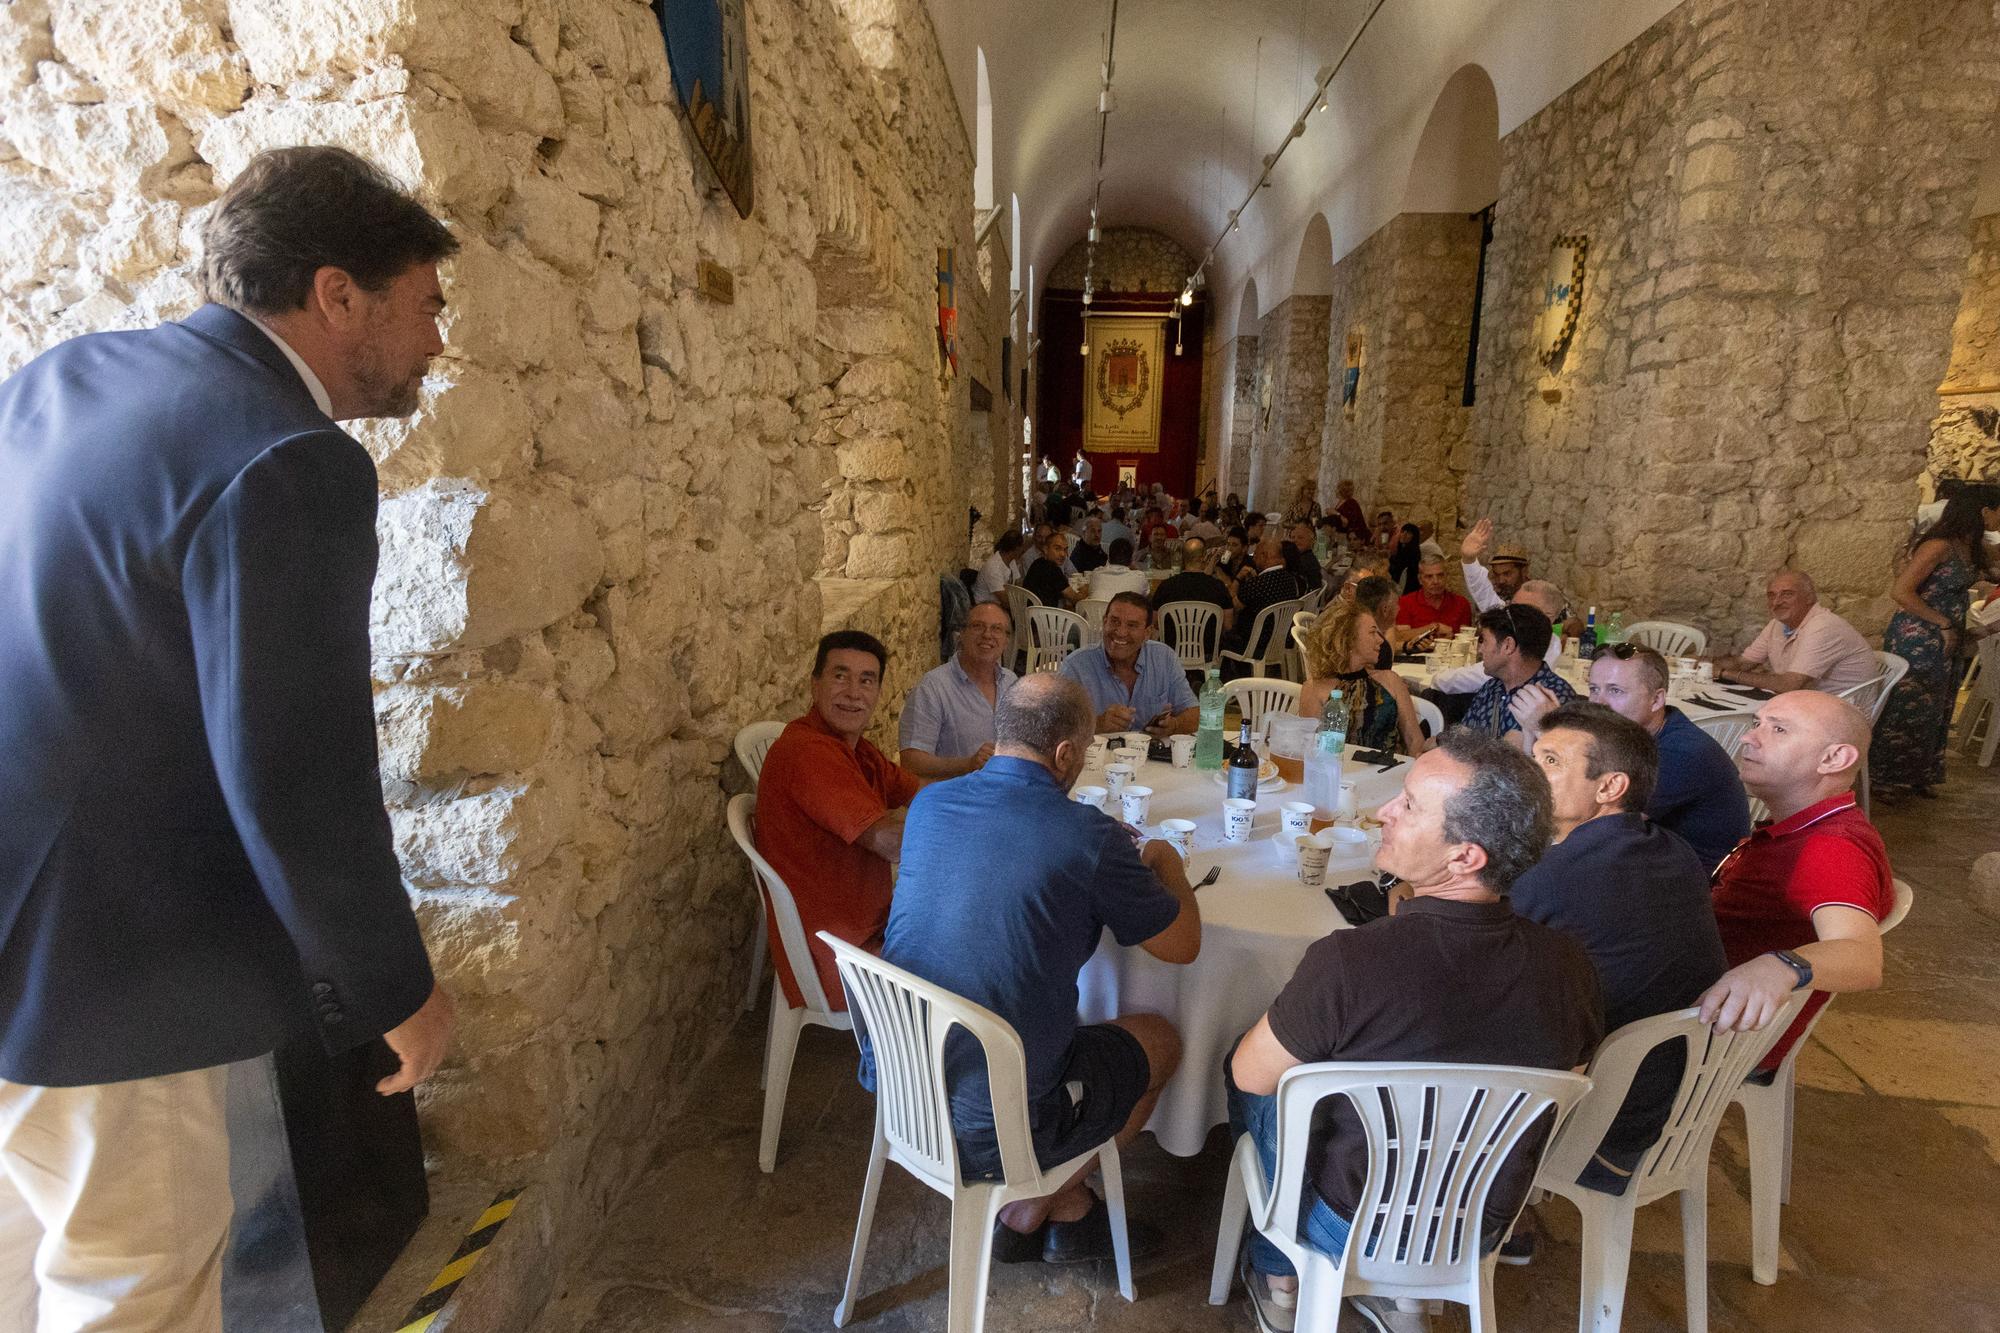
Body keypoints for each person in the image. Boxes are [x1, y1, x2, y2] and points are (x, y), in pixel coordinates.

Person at [0, 146, 455, 1328]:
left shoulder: (61, 376)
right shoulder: (294, 458)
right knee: (131, 1280)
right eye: (425, 306)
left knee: (21, 1259)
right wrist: (398, 988)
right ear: (335, 292)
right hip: (99, 964)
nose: (435, 346)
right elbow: (295, 774)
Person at [1226, 731, 1602, 1332]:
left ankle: (1281, 1276)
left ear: (1465, 857)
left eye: (1409, 804)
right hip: (1478, 1223)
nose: (1384, 812)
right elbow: (1561, 1092)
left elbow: (1252, 1075)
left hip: (1351, 1222)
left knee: (1254, 1072)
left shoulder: (1349, 962)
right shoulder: (1570, 965)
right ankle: (1406, 1301)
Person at [876, 675, 1201, 1261]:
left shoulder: (928, 805)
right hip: (991, 1127)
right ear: (1067, 754)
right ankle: (1039, 1201)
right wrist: (1165, 861)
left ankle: (1065, 1211)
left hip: (906, 1092)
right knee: (1162, 1040)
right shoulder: (1088, 836)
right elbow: (1182, 946)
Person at [1515, 704, 1727, 1200]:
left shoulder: (1559, 875)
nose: (1530, 772)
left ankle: (1484, 1215)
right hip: (1671, 1108)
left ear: (1610, 787)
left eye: (1550, 761)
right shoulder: (1673, 849)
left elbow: (1471, 962)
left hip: (1600, 1129)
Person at [1700, 692, 1892, 1074]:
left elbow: (1862, 956)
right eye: (1757, 723)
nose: (1749, 737)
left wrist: (1780, 966)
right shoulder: (1809, 827)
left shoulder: (1829, 848)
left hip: (1708, 1037)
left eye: (1779, 729)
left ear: (1834, 759)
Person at [755, 631, 921, 1012]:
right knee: (982, 959)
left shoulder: (855, 750)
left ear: (878, 692)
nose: (853, 692)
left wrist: (985, 791)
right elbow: (889, 843)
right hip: (837, 955)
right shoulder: (808, 753)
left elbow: (915, 790)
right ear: (815, 685)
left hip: (871, 926)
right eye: (840, 676)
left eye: (866, 680)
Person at [1870, 486, 2000, 798]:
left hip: (1947, 633)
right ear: (1984, 511)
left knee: (1937, 706)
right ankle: (1883, 778)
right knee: (1908, 703)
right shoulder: (1938, 545)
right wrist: (1941, 622)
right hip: (1919, 633)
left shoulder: (1971, 547)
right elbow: (1901, 591)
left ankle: (1918, 774)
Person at [1586, 645, 1752, 869]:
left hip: (1694, 884)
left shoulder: (1682, 752)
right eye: (1594, 689)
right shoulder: (1632, 737)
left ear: (1656, 700)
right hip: (1650, 857)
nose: (1598, 703)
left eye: (1615, 691)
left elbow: (1599, 822)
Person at [899, 601, 1018, 780]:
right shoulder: (933, 688)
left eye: (997, 629)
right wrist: (967, 764)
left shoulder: (1011, 681)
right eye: (978, 626)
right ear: (961, 634)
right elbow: (911, 762)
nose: (987, 635)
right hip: (955, 800)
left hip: (1005, 792)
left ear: (1006, 641)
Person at [1710, 570, 1877, 695]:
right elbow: (1743, 663)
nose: (1776, 602)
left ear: (1810, 598)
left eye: (1787, 594)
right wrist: (1702, 664)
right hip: (1806, 703)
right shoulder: (1778, 623)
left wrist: (1724, 674)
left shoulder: (1823, 626)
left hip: (1840, 714)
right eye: (1771, 595)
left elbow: (1788, 685)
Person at [1297, 601, 1428, 755]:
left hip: (1389, 771)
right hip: (1340, 773)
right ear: (1348, 639)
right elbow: (1311, 749)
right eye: (1372, 632)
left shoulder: (1391, 680)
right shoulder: (1313, 689)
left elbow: (1414, 741)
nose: (1380, 640)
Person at [1061, 593, 1200, 737]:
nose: (1121, 632)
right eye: (1114, 622)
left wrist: (1174, 726)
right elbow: (1056, 727)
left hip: (1152, 756)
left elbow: (1195, 714)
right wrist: (1097, 724)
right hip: (1097, 757)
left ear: (1147, 633)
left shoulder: (1164, 658)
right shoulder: (1076, 666)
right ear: (1104, 622)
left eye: (1132, 625)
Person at [1462, 604, 1577, 751]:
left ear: (1508, 646)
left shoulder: (1551, 697)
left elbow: (1509, 758)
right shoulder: (1491, 688)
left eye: (1484, 640)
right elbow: (1463, 739)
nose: (1480, 649)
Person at [1428, 579, 1571, 693]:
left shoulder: (1546, 648)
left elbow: (1478, 676)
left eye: (1520, 609)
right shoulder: (1489, 691)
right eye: (1511, 606)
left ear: (1547, 617)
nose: (1509, 613)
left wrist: (1438, 680)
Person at [1223, 534, 1307, 666]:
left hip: (1254, 644)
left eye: (1255, 555)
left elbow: (1233, 606)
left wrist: (1238, 579)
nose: (1254, 559)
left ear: (1264, 556)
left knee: (1220, 636)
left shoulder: (1258, 583)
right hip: (1281, 640)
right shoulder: (1291, 580)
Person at [1153, 538, 1235, 659]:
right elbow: (1228, 625)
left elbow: (1156, 623)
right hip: (1208, 651)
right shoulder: (1218, 587)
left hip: (1172, 650)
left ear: (1182, 558)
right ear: (1203, 557)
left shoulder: (1166, 586)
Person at [1458, 517, 1529, 611]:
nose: (1501, 580)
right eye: (1497, 575)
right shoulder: (1496, 599)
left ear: (1524, 571)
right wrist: (1468, 559)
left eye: (1507, 574)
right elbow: (1482, 590)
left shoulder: (1537, 600)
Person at [1396, 555, 1476, 638]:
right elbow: (1401, 637)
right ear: (1420, 580)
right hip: (1416, 651)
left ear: (1446, 577)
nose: (1436, 581)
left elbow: (1466, 638)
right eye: (1429, 577)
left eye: (1440, 575)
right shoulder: (1405, 602)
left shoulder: (1461, 603)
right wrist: (1433, 628)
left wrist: (1451, 637)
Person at [1020, 530, 1079, 608]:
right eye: (1057, 549)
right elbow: (1074, 598)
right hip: (1043, 618)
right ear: (1046, 549)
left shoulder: (1037, 563)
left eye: (1065, 549)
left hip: (1029, 614)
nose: (1063, 554)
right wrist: (1086, 590)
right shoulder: (1052, 570)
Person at [1084, 537, 1150, 601]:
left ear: (1109, 557)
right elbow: (1146, 595)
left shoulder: (1096, 573)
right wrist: (1135, 567)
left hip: (1096, 611)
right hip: (1125, 612)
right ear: (1131, 559)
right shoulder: (1139, 577)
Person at [975, 529, 1025, 603]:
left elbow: (1018, 585)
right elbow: (1005, 600)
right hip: (986, 606)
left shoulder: (1011, 561)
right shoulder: (993, 567)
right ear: (1017, 549)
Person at [1286, 518, 1323, 593]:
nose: (1295, 540)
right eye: (1293, 537)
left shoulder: (1305, 560)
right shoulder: (1302, 557)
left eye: (1300, 538)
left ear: (1311, 541)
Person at [1386, 522, 1424, 593]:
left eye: (1408, 533)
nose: (1404, 535)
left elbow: (1398, 571)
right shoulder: (1403, 548)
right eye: (1403, 531)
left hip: (1406, 589)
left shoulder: (1412, 552)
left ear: (1414, 537)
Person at [1331, 478, 1369, 542]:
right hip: (1342, 535)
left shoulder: (1351, 503)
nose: (1335, 490)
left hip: (1352, 537)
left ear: (1341, 490)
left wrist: (1334, 512)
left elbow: (1348, 522)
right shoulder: (1340, 502)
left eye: (1337, 488)